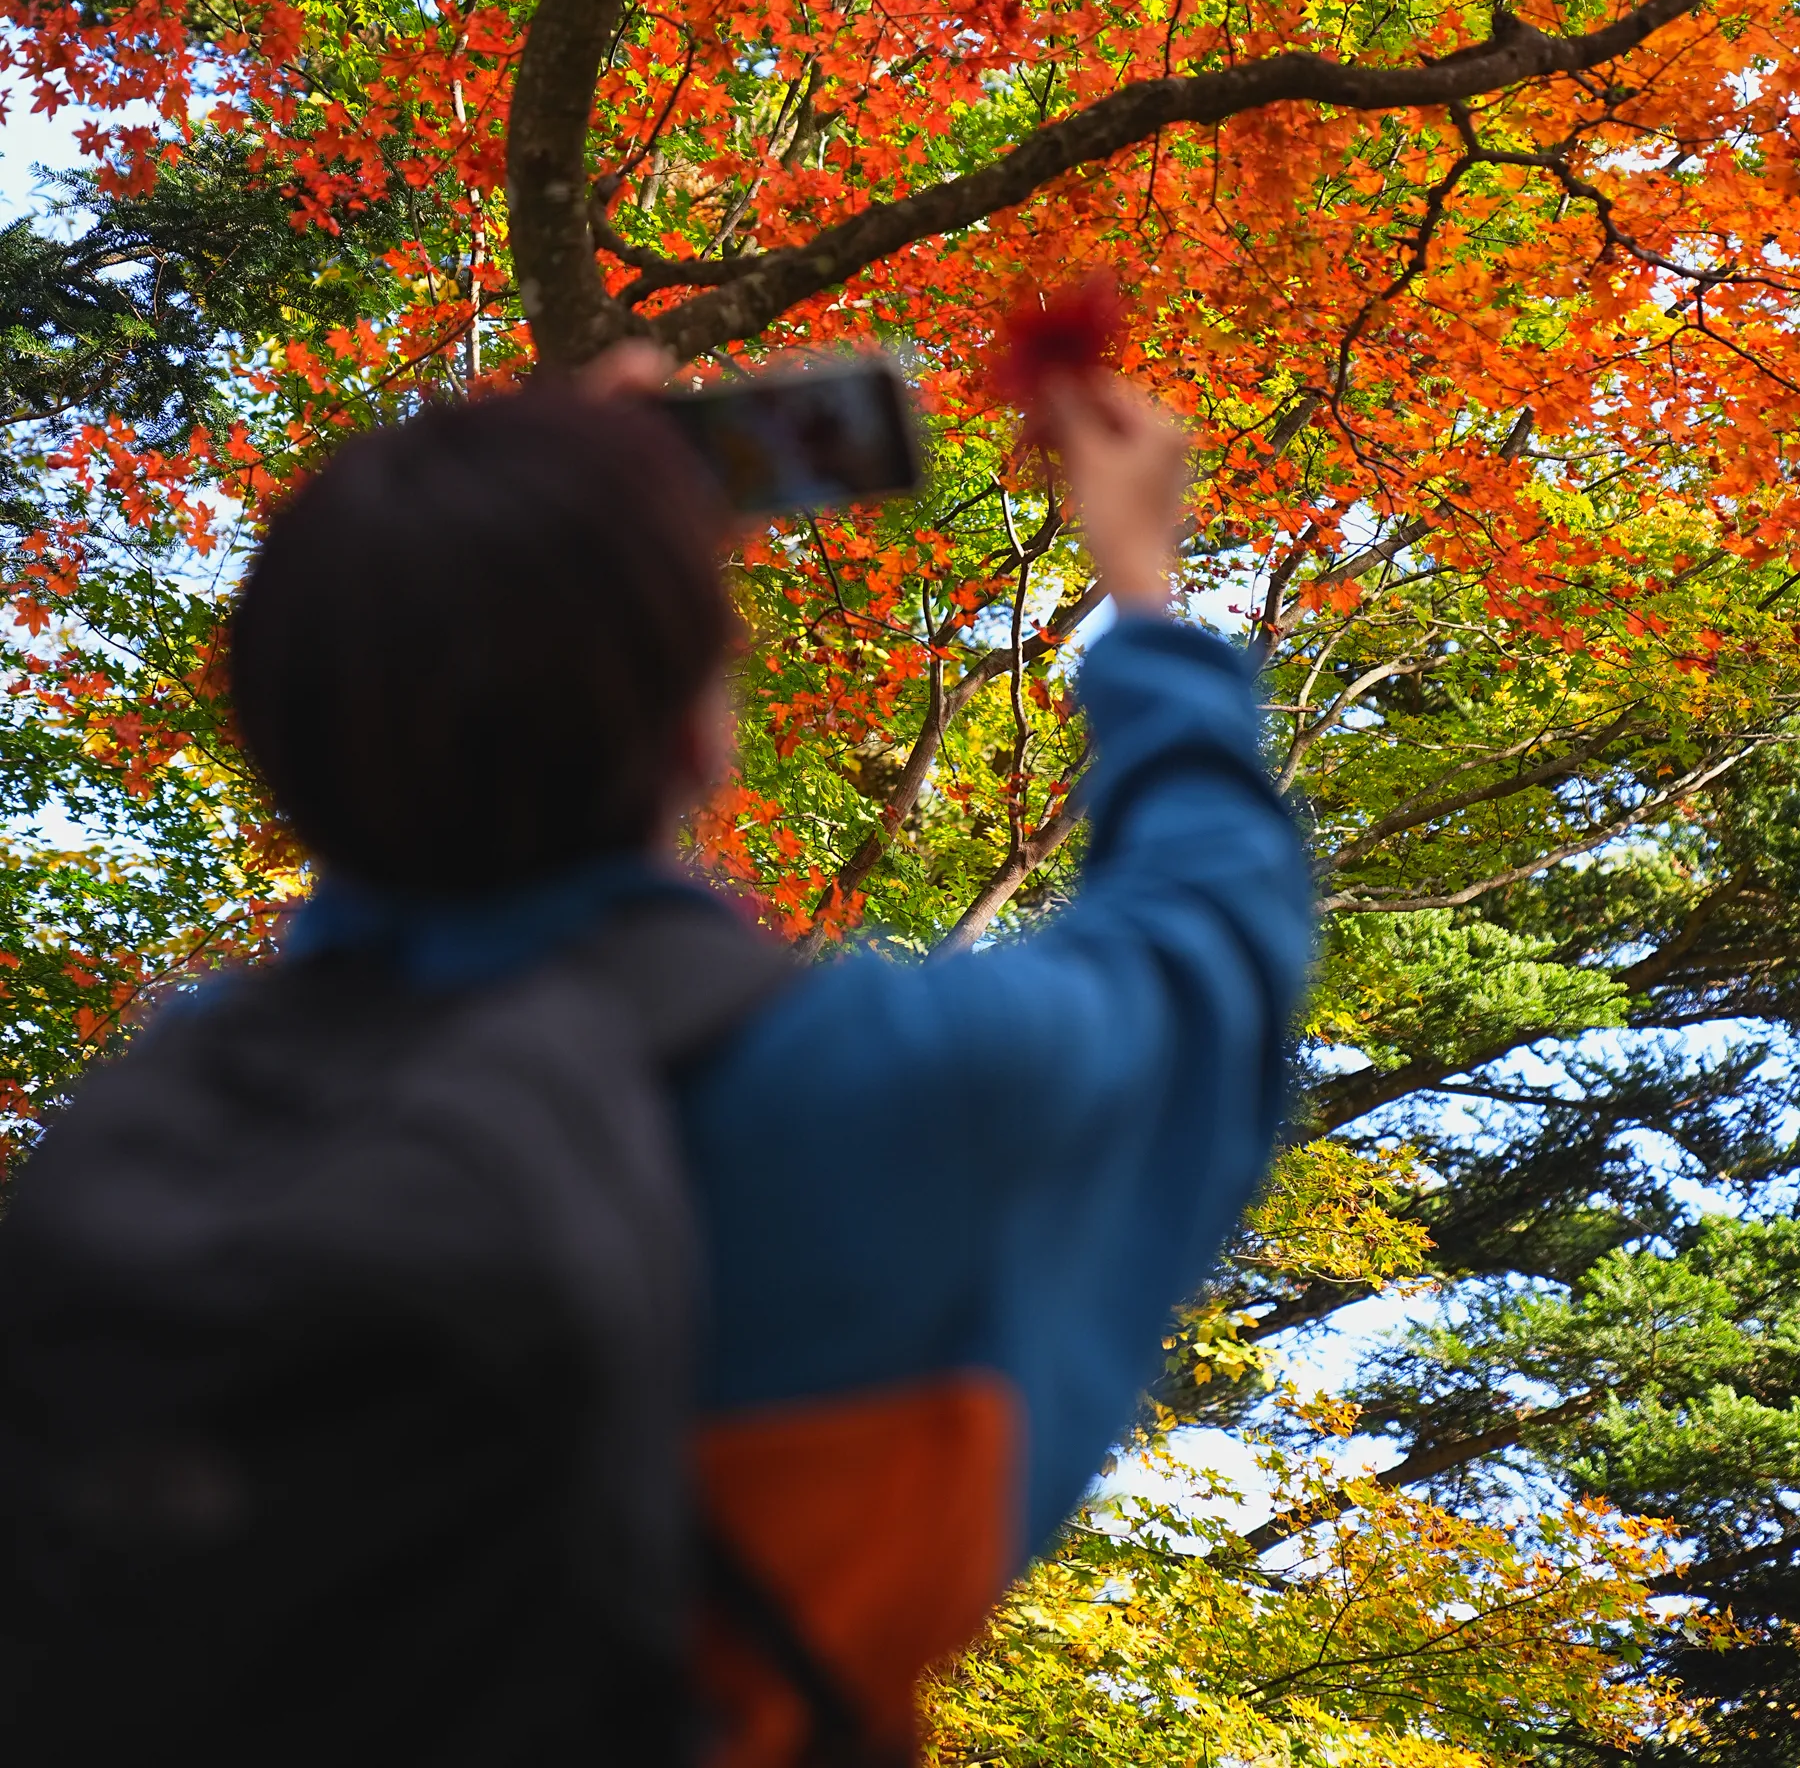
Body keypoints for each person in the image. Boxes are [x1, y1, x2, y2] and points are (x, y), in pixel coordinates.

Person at [0, 356, 1311, 1767]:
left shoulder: (183, 1097)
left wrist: (509, 545)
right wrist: (1143, 588)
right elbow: (1214, 941)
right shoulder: (874, 1094)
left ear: (282, 748)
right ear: (697, 736)